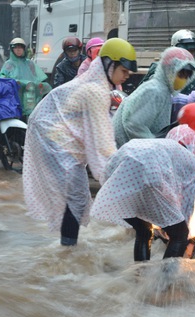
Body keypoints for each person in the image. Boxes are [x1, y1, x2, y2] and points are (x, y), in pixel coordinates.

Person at [22, 38, 137, 246]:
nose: (127, 77)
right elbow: (102, 140)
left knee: (78, 196)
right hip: (50, 134)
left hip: (54, 132)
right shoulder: (96, 90)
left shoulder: (98, 82)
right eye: (124, 71)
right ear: (109, 65)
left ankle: (68, 247)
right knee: (76, 195)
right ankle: (68, 250)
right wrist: (118, 174)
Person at [91, 124, 195, 261]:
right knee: (180, 235)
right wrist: (183, 237)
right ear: (194, 147)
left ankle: (140, 275)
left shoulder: (157, 145)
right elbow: (186, 207)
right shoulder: (192, 163)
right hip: (151, 180)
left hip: (119, 184)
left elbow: (107, 174)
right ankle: (164, 281)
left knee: (144, 231)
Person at [112, 46, 195, 146]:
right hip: (124, 151)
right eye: (180, 75)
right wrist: (155, 146)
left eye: (186, 77)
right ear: (169, 70)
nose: (183, 80)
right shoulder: (155, 90)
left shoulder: (163, 91)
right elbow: (134, 124)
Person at [0, 37, 52, 117]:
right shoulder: (9, 64)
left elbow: (37, 76)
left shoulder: (30, 63)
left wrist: (39, 84)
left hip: (30, 91)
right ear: (11, 49)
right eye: (15, 47)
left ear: (24, 49)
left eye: (20, 47)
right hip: (16, 92)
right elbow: (2, 76)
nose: (18, 49)